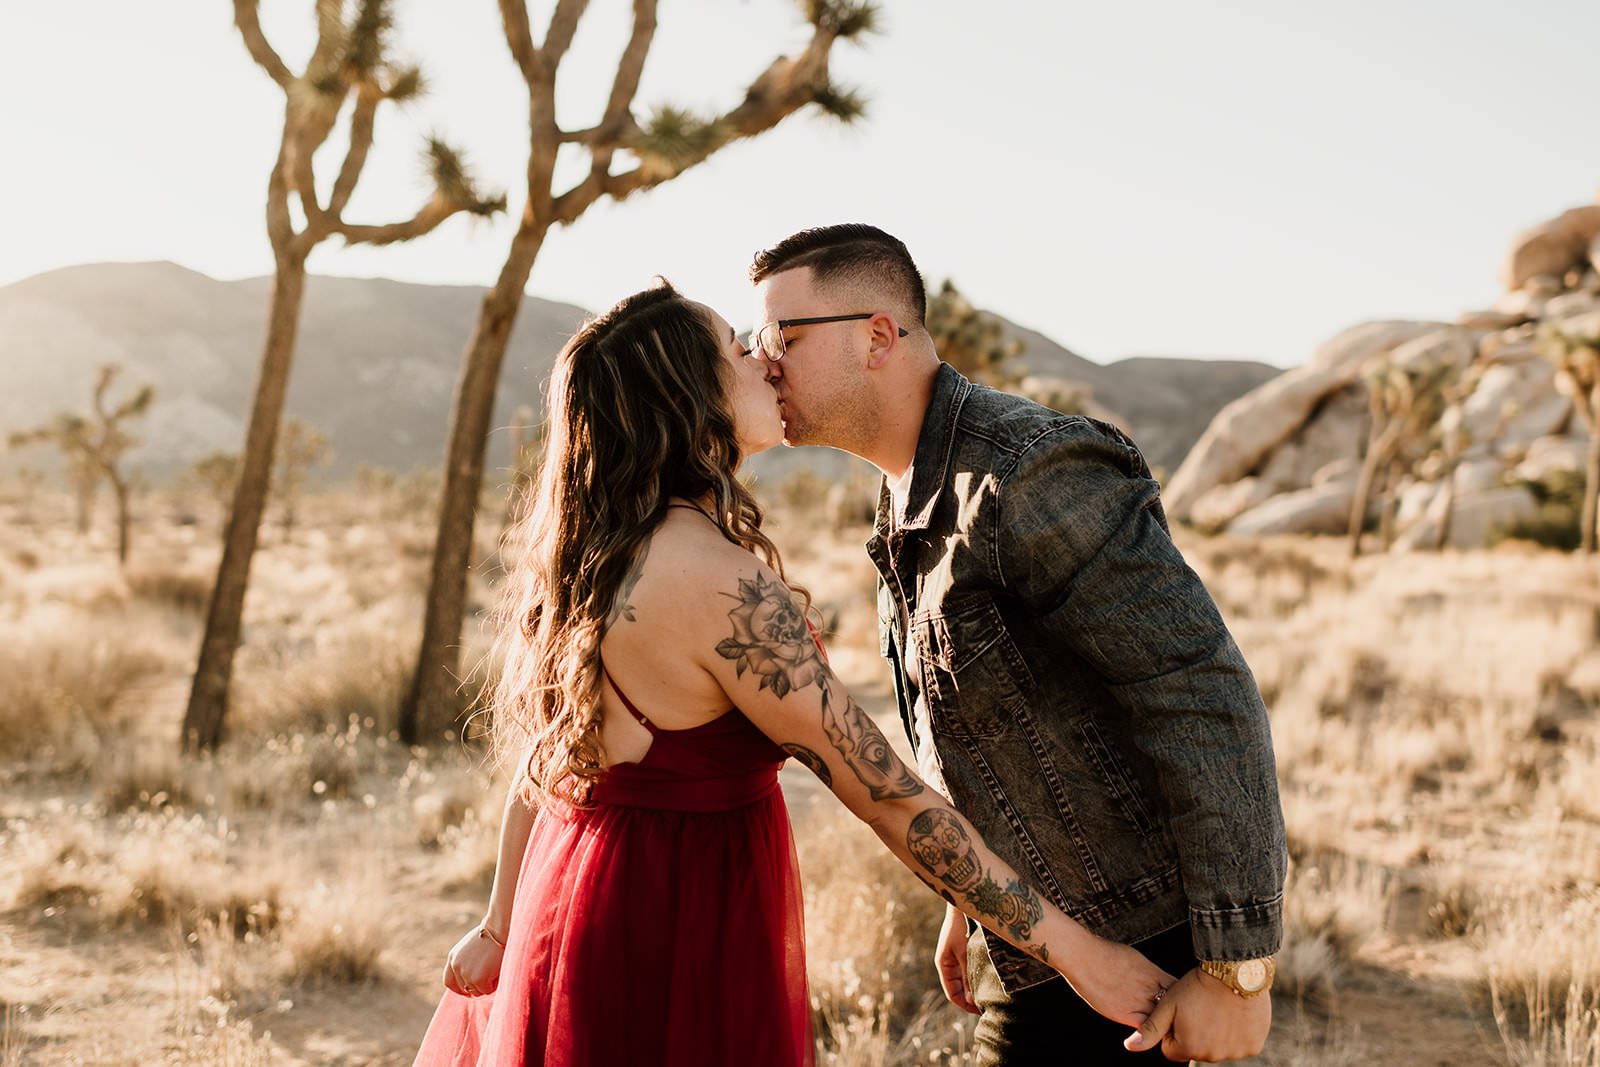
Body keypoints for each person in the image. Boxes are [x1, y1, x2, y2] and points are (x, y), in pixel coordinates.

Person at [411, 281, 1176, 1067]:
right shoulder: (715, 582)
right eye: (740, 350)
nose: (767, 365)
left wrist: (501, 923)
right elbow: (887, 796)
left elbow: (547, 759)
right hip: (673, 927)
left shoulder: (605, 553)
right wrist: (1078, 952)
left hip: (580, 900)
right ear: (690, 397)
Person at [748, 225, 1289, 1065]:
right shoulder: (906, 499)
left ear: (878, 336)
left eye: (783, 336)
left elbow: (1198, 686)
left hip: (1146, 953)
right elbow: (992, 724)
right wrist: (972, 904)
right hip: (1043, 951)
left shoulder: (1024, 470)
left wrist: (1235, 963)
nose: (764, 361)